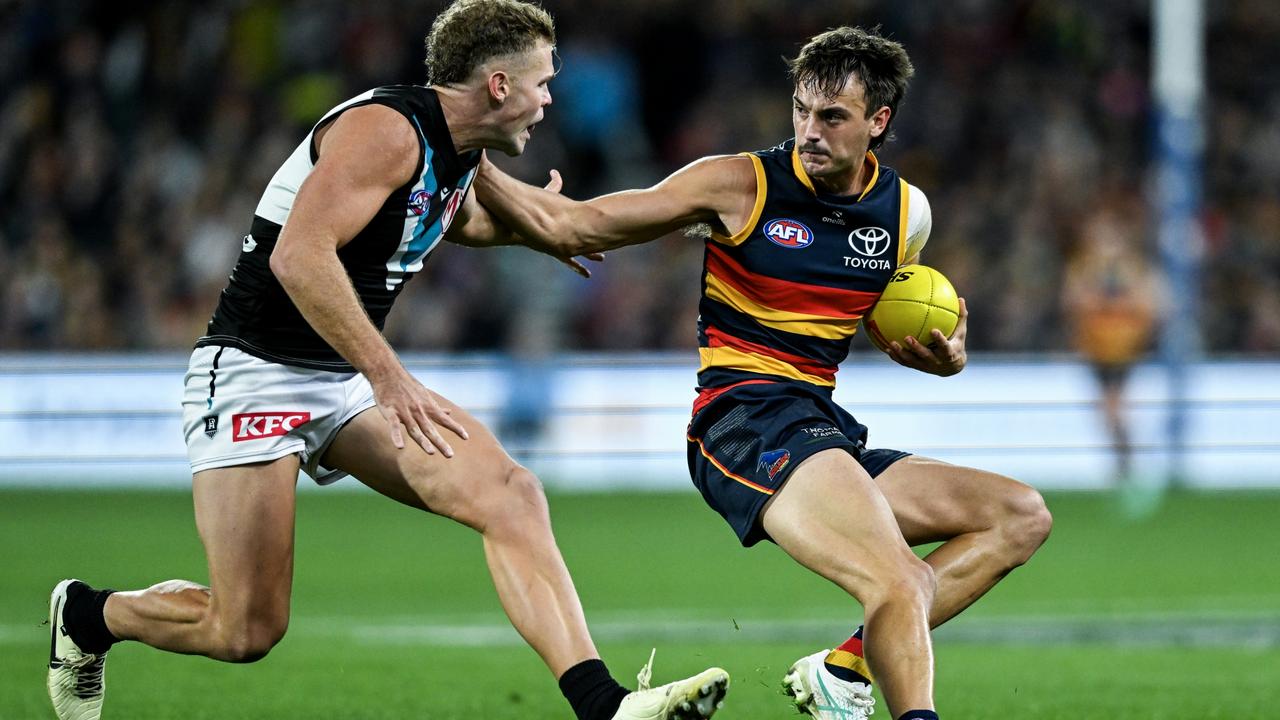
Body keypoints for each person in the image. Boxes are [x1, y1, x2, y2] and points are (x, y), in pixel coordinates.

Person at [46, 3, 729, 720]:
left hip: (341, 379)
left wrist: (685, 215)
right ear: (498, 85)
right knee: (244, 630)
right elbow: (299, 255)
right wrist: (388, 375)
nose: (550, 98)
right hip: (255, 373)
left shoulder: (460, 153)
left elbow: (504, 219)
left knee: (511, 494)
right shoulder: (386, 132)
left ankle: (604, 705)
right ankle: (89, 617)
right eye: (542, 82)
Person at [475, 26, 1053, 720]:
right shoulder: (739, 184)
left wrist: (942, 357)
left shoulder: (906, 214)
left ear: (879, 121)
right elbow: (582, 225)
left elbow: (872, 317)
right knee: (898, 579)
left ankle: (844, 667)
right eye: (802, 110)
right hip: (743, 420)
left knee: (1019, 516)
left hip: (822, 427)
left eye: (833, 117)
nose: (811, 131)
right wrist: (472, 161)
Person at [1061, 200, 1162, 497]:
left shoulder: (1133, 268)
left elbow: (1150, 304)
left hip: (1123, 350)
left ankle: (1128, 467)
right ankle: (1125, 465)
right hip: (1097, 351)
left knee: (1113, 410)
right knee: (1107, 413)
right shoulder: (1084, 268)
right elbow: (1073, 304)